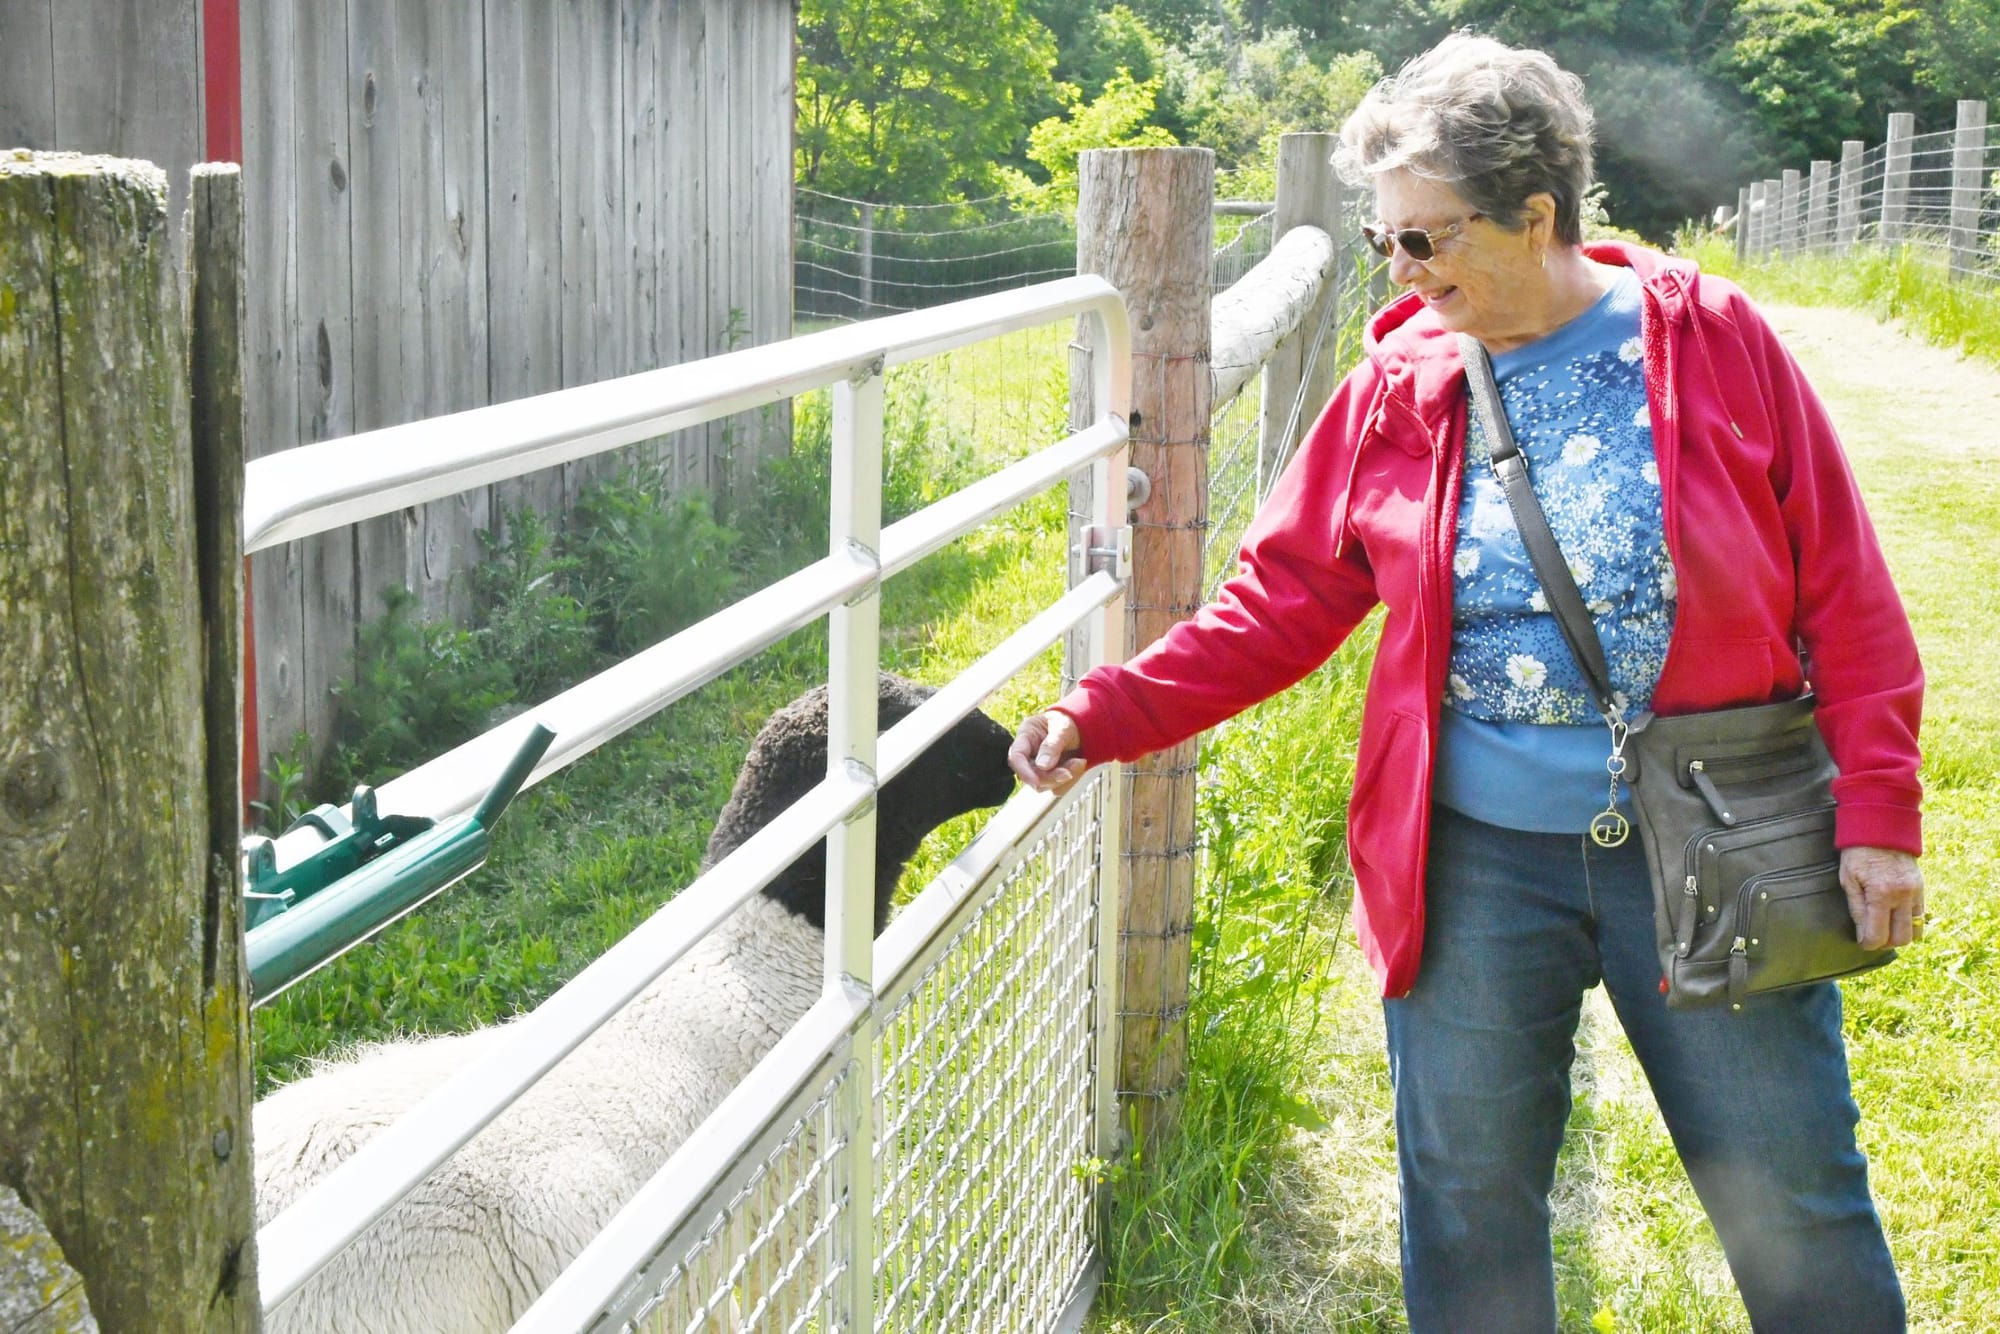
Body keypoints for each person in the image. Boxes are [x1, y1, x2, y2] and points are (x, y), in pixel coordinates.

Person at [1009, 32, 1925, 1334]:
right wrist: (1101, 711)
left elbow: (1849, 593)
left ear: (1537, 214)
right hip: (1478, 860)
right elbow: (1276, 605)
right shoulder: (1399, 386)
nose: (1403, 271)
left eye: (1428, 240)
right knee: (1468, 1201)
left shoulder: (1710, 343)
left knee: (1796, 1202)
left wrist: (1881, 816)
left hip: (1721, 827)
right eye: (1387, 241)